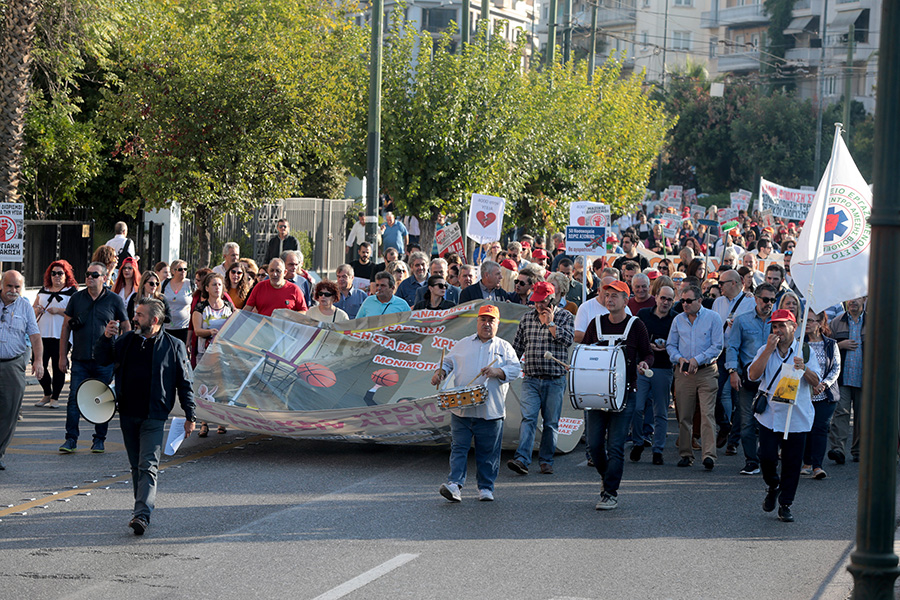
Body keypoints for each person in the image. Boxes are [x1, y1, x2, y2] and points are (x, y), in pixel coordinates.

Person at [94, 298, 196, 535]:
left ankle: (142, 515)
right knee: (135, 466)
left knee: (148, 464)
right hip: (128, 413)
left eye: (140, 315)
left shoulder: (174, 346)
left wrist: (190, 415)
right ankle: (140, 509)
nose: (135, 318)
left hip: (154, 415)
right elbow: (102, 358)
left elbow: (185, 383)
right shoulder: (128, 340)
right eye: (136, 314)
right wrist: (106, 338)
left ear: (155, 320)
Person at [432, 304, 521, 502]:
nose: (487, 324)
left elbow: (516, 369)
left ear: (497, 324)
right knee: (459, 448)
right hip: (461, 409)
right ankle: (455, 485)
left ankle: (486, 487)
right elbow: (448, 362)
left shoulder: (504, 347)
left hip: (490, 411)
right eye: (483, 319)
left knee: (488, 451)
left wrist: (498, 372)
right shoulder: (463, 343)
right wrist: (441, 372)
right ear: (477, 321)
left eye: (491, 320)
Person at [581, 281, 653, 509]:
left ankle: (610, 493)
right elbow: (584, 352)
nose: (609, 299)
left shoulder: (636, 325)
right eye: (606, 295)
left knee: (615, 445)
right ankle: (607, 477)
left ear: (625, 299)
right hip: (596, 393)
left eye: (615, 295)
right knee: (594, 446)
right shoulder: (595, 324)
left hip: (625, 394)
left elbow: (648, 354)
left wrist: (643, 363)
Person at [749, 309, 820, 523]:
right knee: (767, 456)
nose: (778, 330)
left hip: (796, 416)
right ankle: (773, 485)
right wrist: (768, 351)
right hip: (770, 414)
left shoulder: (805, 351)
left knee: (792, 463)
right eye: (774, 326)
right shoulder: (765, 349)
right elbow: (753, 375)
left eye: (782, 325)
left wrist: (804, 368)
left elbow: (816, 381)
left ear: (793, 327)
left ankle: (786, 504)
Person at [59, 262, 130, 453]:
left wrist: (122, 354)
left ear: (105, 278)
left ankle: (99, 439)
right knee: (74, 398)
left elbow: (126, 326)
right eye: (87, 274)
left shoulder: (114, 300)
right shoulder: (76, 298)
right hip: (80, 358)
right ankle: (71, 439)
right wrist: (62, 356)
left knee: (103, 401)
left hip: (105, 360)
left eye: (95, 275)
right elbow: (65, 327)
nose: (90, 277)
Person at [508, 282, 575, 475]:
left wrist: (551, 324)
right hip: (531, 378)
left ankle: (546, 460)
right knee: (528, 418)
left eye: (542, 301)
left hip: (554, 379)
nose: (538, 305)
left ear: (551, 299)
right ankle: (522, 459)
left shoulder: (565, 316)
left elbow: (568, 340)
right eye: (535, 301)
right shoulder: (527, 318)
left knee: (551, 422)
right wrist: (509, 366)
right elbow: (517, 347)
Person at [666, 284, 724, 469]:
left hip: (706, 371)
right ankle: (685, 453)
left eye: (689, 301)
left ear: (699, 300)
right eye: (682, 301)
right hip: (683, 372)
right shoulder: (678, 320)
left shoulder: (713, 318)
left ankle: (709, 455)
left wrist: (696, 360)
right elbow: (670, 345)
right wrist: (679, 358)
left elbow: (717, 346)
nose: (685, 304)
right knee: (684, 415)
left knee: (707, 414)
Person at [726, 283, 778, 475]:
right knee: (747, 420)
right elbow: (732, 347)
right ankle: (751, 460)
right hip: (749, 378)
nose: (769, 304)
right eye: (765, 299)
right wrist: (732, 371)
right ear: (756, 299)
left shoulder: (778, 322)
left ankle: (767, 457)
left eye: (773, 300)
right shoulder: (742, 320)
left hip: (773, 380)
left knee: (771, 421)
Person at [0, 271, 44, 470]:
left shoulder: (25, 306)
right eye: (9, 286)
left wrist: (39, 360)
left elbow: (34, 336)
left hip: (13, 363)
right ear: (2, 284)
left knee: (10, 411)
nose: (13, 291)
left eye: (17, 287)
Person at [712, 269, 755, 453]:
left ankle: (734, 441)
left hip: (740, 354)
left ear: (735, 283)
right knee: (714, 392)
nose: (719, 286)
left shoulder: (750, 302)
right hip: (720, 353)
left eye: (722, 283)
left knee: (740, 399)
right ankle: (724, 425)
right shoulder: (718, 302)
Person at [635, 285, 676, 464]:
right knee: (636, 407)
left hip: (664, 367)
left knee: (661, 411)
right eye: (663, 298)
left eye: (669, 299)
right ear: (656, 297)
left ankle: (657, 449)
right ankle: (637, 442)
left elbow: (680, 343)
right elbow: (633, 338)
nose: (665, 302)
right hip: (643, 367)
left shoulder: (676, 319)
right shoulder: (643, 315)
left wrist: (667, 348)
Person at [32, 261, 78, 408]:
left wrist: (58, 311)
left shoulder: (72, 292)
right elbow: (33, 309)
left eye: (60, 273)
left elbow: (76, 313)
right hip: (42, 334)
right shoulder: (43, 290)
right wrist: (37, 309)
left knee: (59, 366)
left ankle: (55, 398)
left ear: (66, 275)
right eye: (54, 273)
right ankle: (47, 392)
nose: (57, 276)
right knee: (39, 364)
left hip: (61, 335)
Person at [801, 310, 840, 480]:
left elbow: (836, 368)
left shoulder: (831, 344)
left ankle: (817, 465)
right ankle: (806, 462)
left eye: (810, 320)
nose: (807, 323)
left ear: (820, 323)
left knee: (820, 428)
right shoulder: (799, 344)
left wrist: (823, 384)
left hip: (825, 394)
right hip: (804, 393)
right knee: (805, 428)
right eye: (804, 320)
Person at [827, 297, 865, 464]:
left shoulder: (873, 321)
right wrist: (839, 345)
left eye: (856, 299)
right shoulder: (836, 322)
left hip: (865, 377)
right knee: (841, 412)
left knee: (862, 416)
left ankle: (859, 451)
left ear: (864, 299)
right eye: (849, 299)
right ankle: (838, 449)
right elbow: (826, 345)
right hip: (842, 377)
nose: (852, 302)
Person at [161, 260, 193, 344]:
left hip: (184, 327)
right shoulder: (164, 284)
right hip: (167, 327)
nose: (183, 271)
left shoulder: (190, 284)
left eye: (185, 269)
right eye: (180, 269)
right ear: (173, 271)